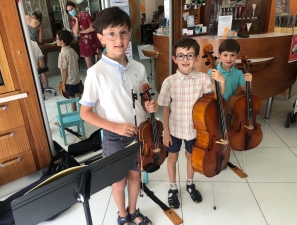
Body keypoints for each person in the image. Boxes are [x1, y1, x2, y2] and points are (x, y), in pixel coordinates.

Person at [79, 7, 157, 225]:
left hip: (140, 134)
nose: (118, 39)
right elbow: (85, 112)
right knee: (118, 182)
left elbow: (143, 96)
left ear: (129, 35)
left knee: (135, 176)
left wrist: (149, 104)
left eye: (123, 32)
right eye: (111, 34)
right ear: (101, 38)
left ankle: (133, 211)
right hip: (115, 138)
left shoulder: (139, 67)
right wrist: (115, 127)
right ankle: (122, 215)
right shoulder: (96, 72)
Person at [157, 37, 225, 209]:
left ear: (196, 58)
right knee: (172, 157)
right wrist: (165, 131)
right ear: (174, 59)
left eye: (189, 56)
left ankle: (189, 183)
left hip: (196, 130)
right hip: (174, 128)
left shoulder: (203, 79)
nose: (185, 60)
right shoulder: (169, 82)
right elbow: (165, 108)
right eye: (180, 56)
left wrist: (221, 82)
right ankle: (173, 187)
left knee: (191, 157)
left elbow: (216, 101)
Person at [207, 39, 252, 125]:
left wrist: (249, 82)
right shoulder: (212, 72)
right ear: (219, 55)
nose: (229, 58)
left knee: (227, 130)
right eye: (225, 55)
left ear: (237, 55)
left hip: (229, 109)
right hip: (215, 109)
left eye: (232, 55)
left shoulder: (238, 73)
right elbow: (209, 94)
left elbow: (246, 91)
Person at [65, 1, 102, 69]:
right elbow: (75, 32)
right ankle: (92, 79)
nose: (71, 11)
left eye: (72, 9)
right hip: (84, 43)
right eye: (69, 10)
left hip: (93, 40)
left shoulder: (85, 14)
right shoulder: (73, 21)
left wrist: (81, 32)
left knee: (99, 62)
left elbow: (92, 28)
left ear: (75, 7)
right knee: (89, 65)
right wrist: (76, 20)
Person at [56, 30, 81, 112]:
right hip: (76, 79)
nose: (56, 40)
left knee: (72, 98)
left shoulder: (62, 54)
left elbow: (64, 70)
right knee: (78, 95)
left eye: (57, 39)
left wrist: (63, 84)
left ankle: (75, 114)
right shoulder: (72, 51)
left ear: (62, 41)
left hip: (69, 81)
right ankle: (82, 113)